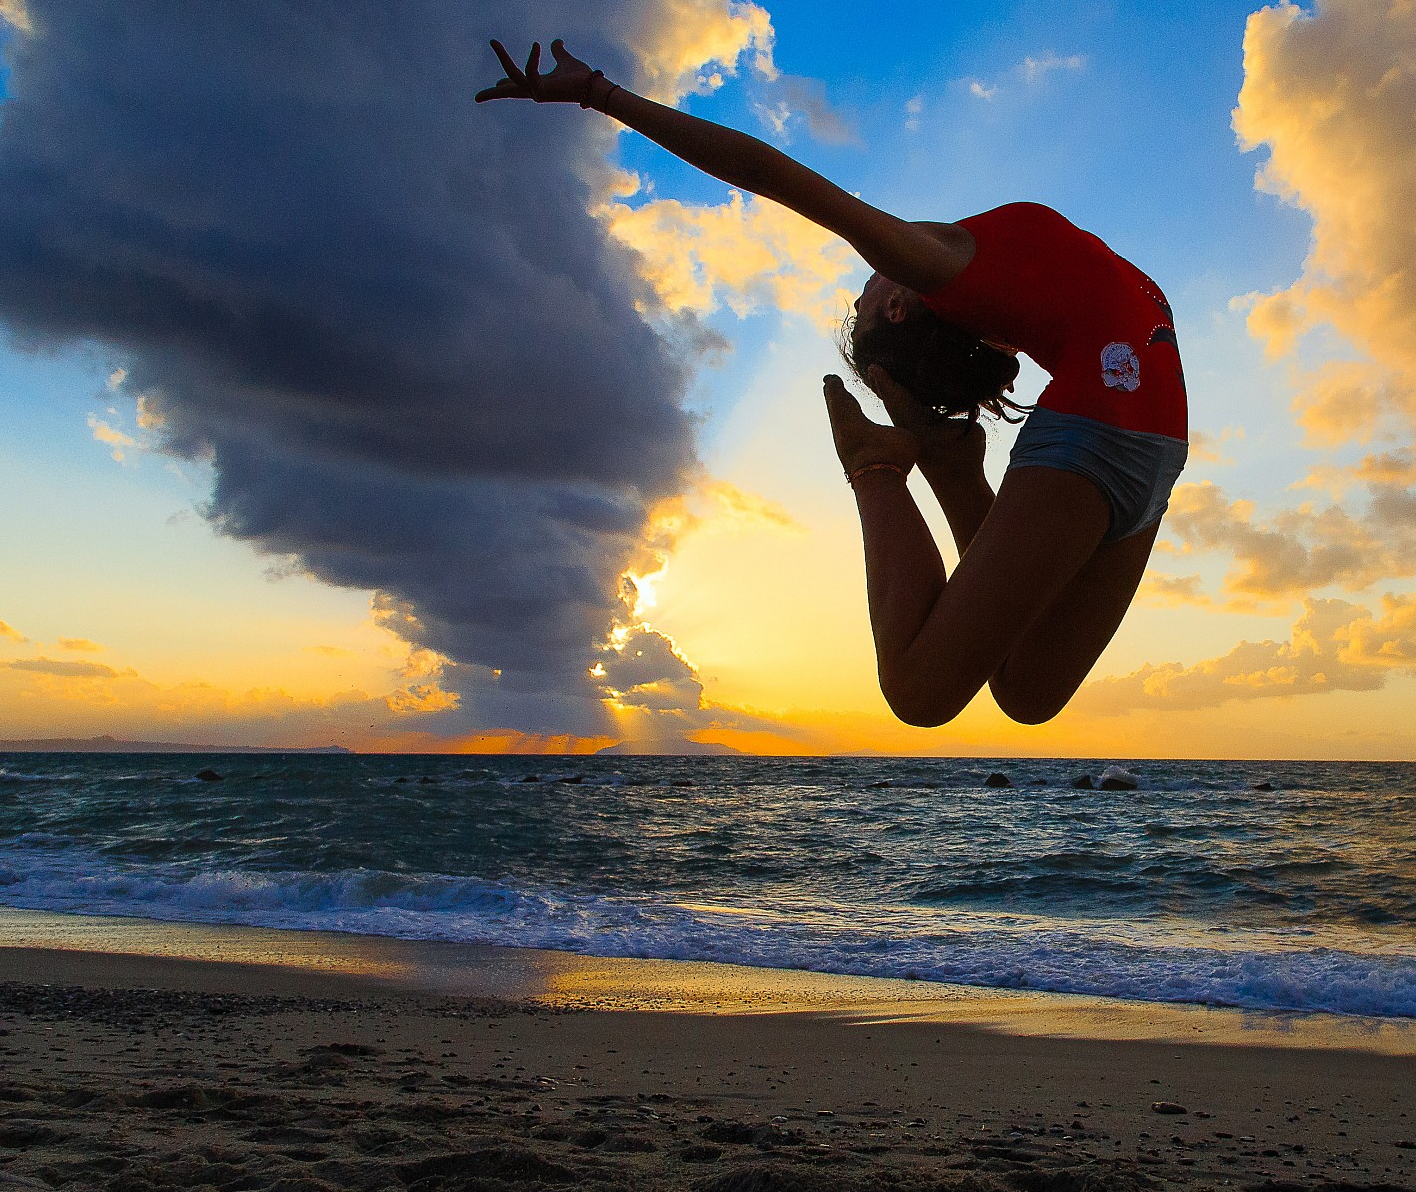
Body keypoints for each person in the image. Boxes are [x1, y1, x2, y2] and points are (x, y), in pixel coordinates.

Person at [478, 39, 1188, 727]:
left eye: (863, 288)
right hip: (1132, 431)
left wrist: (598, 92)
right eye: (867, 290)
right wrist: (600, 94)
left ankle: (917, 463)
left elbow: (771, 173)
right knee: (949, 692)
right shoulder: (938, 266)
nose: (870, 275)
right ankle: (901, 466)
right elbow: (767, 173)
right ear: (898, 304)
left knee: (1015, 691)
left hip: (1134, 439)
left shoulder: (968, 282)